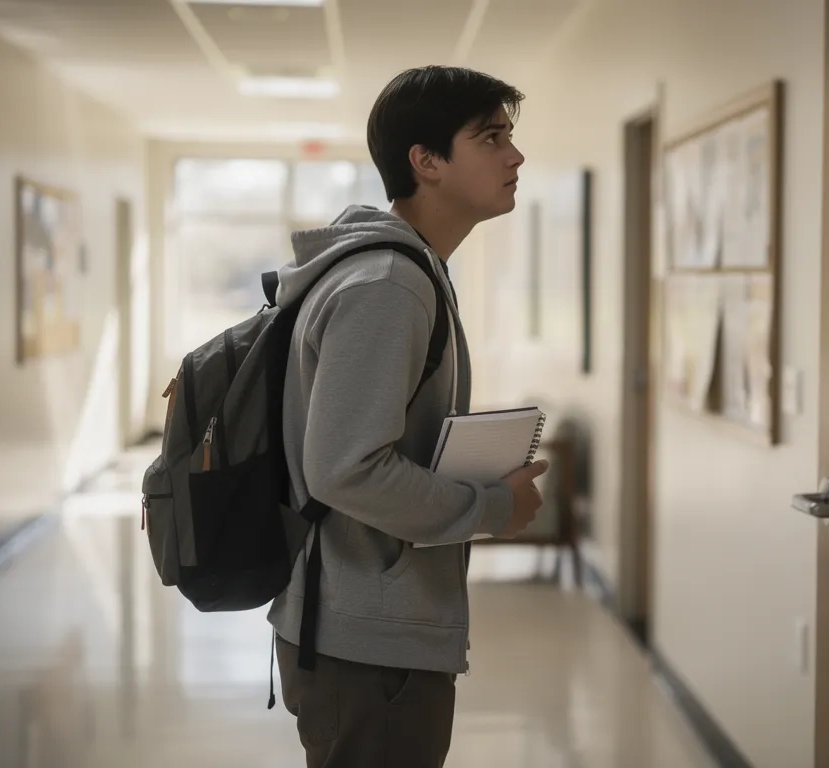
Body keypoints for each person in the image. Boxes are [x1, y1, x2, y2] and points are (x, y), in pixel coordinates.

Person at [267, 66, 549, 768]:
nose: (514, 156)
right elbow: (345, 468)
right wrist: (491, 504)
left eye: (510, 136)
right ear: (426, 162)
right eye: (490, 137)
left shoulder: (400, 268)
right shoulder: (389, 284)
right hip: (366, 642)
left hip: (361, 625)